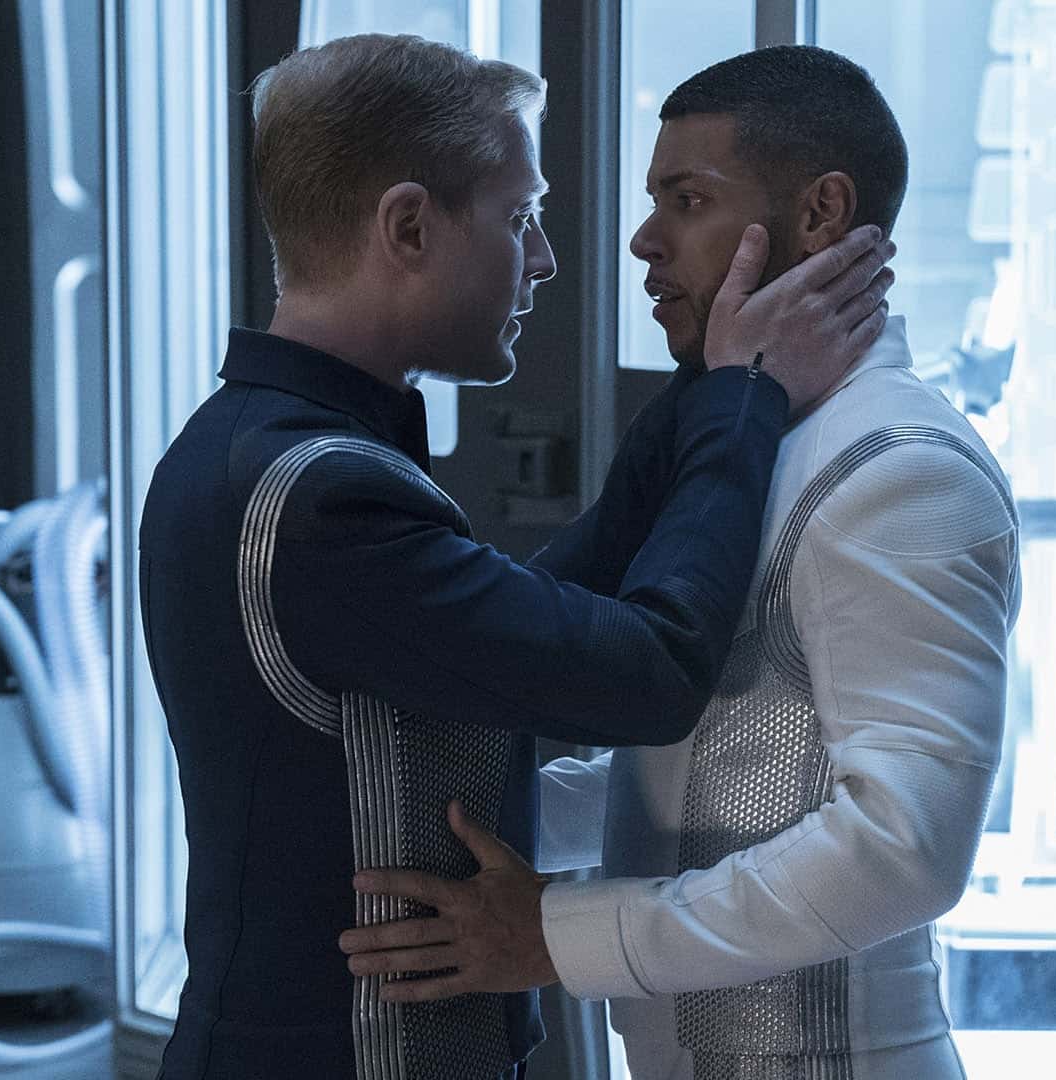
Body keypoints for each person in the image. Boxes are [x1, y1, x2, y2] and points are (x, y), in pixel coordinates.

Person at [137, 35, 894, 1080]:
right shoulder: (314, 501)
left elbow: (541, 608)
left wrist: (718, 369)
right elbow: (650, 671)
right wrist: (745, 394)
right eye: (519, 216)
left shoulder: (264, 449)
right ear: (408, 226)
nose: (543, 258)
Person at [340, 46, 1021, 1080]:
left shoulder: (900, 468)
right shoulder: (761, 442)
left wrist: (557, 935)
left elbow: (904, 848)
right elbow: (729, 768)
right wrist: (453, 821)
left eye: (687, 200)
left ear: (822, 213)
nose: (643, 240)